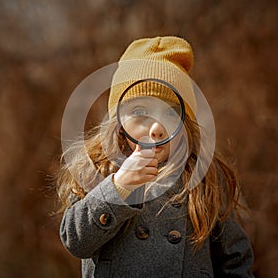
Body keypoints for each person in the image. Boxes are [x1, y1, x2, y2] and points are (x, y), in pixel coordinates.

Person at [56, 36, 254, 277]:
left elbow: (235, 259)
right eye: (140, 111)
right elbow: (75, 241)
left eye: (170, 114)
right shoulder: (97, 169)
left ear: (186, 125)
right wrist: (118, 189)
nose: (156, 128)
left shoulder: (205, 178)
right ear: (118, 123)